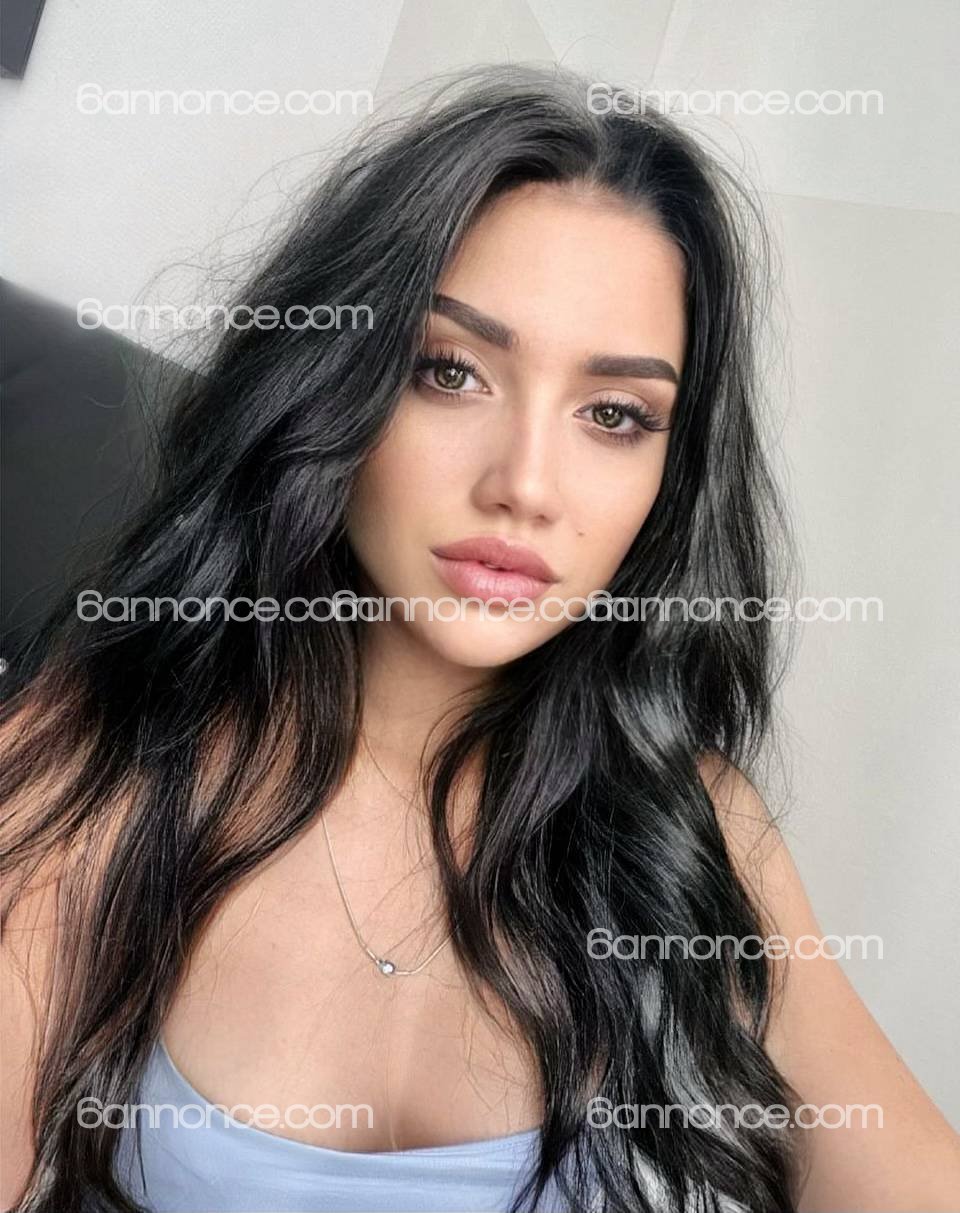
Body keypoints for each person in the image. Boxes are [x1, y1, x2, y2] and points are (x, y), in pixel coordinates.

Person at [2, 64, 958, 1213]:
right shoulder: (95, 769)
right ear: (335, 383)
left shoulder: (684, 823)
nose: (527, 485)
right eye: (449, 371)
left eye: (614, 414)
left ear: (670, 471)